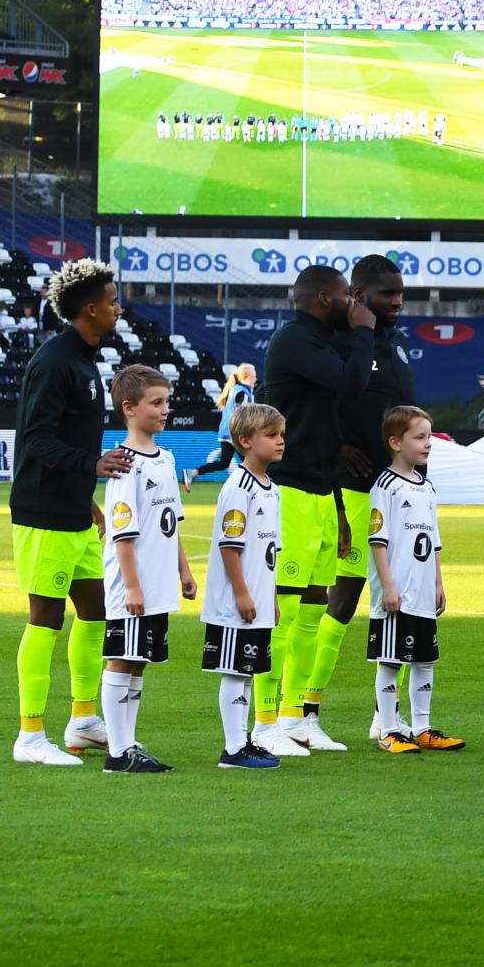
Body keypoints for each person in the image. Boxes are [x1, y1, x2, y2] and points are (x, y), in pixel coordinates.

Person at [9, 258, 140, 767]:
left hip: (71, 508)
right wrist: (93, 465)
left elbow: (61, 436)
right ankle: (30, 736)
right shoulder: (55, 360)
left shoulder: (85, 360)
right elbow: (37, 438)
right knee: (46, 616)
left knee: (96, 610)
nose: (117, 307)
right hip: (42, 510)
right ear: (90, 309)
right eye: (111, 301)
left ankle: (84, 720)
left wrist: (85, 494)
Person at [257, 263, 378, 755]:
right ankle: (264, 723)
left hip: (321, 492)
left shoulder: (320, 341)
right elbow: (351, 384)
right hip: (288, 493)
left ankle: (294, 718)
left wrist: (340, 510)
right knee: (282, 614)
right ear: (325, 299)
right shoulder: (294, 341)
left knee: (310, 611)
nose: (354, 304)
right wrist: (366, 333)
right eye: (348, 296)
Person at [326, 254, 410, 744]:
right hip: (355, 490)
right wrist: (338, 451)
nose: (396, 301)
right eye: (386, 294)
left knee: (397, 601)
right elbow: (318, 407)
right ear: (359, 296)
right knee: (343, 598)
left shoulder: (395, 344)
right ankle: (305, 709)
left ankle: (386, 714)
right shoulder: (340, 343)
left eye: (400, 293)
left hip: (398, 491)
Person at [97, 364, 192, 773]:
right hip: (132, 584)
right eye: (156, 403)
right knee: (121, 658)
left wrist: (184, 571)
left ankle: (128, 742)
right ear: (129, 408)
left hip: (157, 580)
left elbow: (172, 523)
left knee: (138, 661)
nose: (164, 409)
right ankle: (118, 753)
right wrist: (132, 587)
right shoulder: (125, 464)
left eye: (166, 401)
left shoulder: (166, 459)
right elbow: (122, 533)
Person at [367, 405, 462, 753]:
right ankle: (388, 729)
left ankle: (422, 727)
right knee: (391, 660)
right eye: (419, 437)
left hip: (423, 591)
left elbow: (433, 542)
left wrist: (438, 583)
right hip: (398, 592)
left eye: (428, 437)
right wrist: (388, 586)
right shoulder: (385, 486)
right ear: (395, 442)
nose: (427, 444)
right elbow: (378, 540)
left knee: (425, 659)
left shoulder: (427, 487)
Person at [204, 403, 287, 769]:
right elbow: (230, 544)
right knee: (235, 671)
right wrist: (241, 591)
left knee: (248, 670)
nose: (280, 441)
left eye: (281, 434)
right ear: (245, 441)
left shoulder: (271, 488)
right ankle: (233, 748)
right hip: (236, 601)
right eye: (271, 435)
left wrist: (269, 596)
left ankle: (244, 742)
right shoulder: (239, 486)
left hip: (258, 599)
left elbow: (269, 551)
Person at [189, 363, 259, 484]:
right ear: (246, 377)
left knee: (224, 463)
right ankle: (254, 487)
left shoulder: (234, 389)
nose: (255, 379)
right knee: (252, 462)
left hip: (226, 432)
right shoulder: (243, 393)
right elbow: (242, 415)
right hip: (236, 433)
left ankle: (193, 473)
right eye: (253, 377)